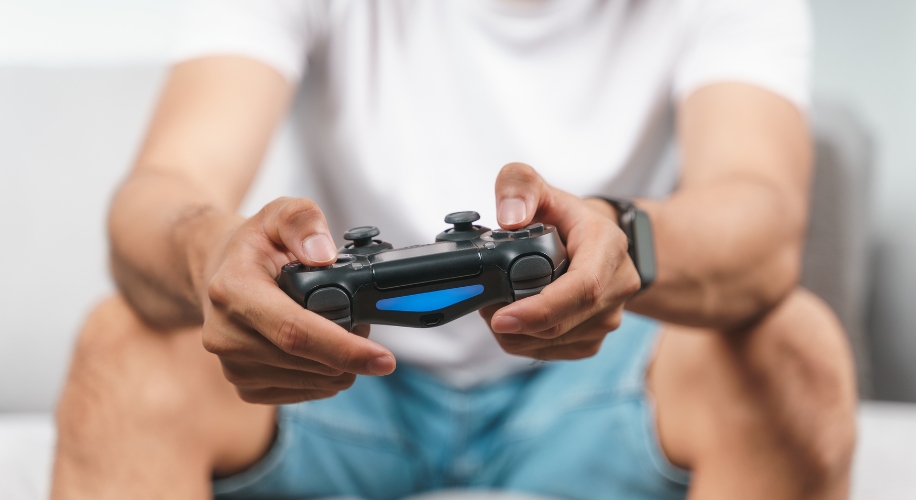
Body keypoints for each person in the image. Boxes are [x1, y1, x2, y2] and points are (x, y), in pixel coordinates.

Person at [51, 0, 857, 498]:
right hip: (340, 380)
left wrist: (615, 235)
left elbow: (761, 224)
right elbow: (159, 192)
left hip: (593, 384)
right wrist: (213, 255)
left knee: (796, 351)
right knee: (122, 348)